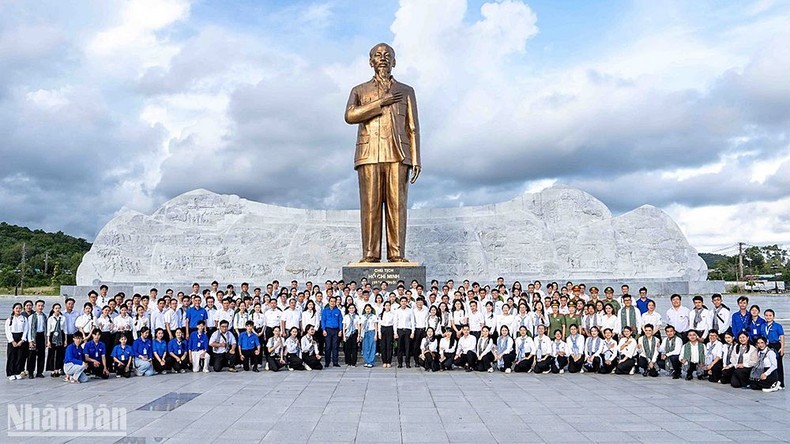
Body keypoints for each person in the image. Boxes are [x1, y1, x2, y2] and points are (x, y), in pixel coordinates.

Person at [6, 303, 29, 380]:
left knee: (20, 356)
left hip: (21, 339)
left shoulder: (24, 319)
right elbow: (7, 331)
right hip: (12, 339)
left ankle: (18, 372)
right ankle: (11, 373)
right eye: (16, 308)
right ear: (13, 309)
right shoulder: (9, 319)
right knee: (12, 356)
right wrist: (12, 341)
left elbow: (26, 330)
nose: (18, 310)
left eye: (19, 308)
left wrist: (22, 340)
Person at [762, 309, 784, 389]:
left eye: (770, 315)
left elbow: (781, 337)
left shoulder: (777, 326)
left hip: (776, 345)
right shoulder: (763, 325)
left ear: (773, 316)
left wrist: (782, 347)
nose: (768, 317)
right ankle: (772, 381)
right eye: (766, 315)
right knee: (770, 363)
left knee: (778, 364)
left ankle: (780, 382)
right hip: (767, 345)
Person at [26, 300, 48, 379]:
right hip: (34, 337)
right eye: (39, 306)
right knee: (32, 355)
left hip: (42, 336)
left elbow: (46, 329)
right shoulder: (31, 317)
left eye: (42, 306)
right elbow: (29, 329)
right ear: (35, 307)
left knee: (41, 355)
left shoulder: (45, 316)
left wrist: (46, 340)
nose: (40, 307)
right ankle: (31, 372)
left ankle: (39, 372)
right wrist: (30, 340)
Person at [321, 296, 343, 368]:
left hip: (336, 330)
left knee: (335, 346)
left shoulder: (338, 311)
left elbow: (340, 321)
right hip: (328, 330)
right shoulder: (325, 311)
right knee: (327, 347)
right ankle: (327, 362)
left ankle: (335, 362)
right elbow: (323, 320)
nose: (332, 303)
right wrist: (323, 329)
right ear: (329, 302)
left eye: (334, 301)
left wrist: (340, 330)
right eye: (331, 301)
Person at [394, 296, 415, 368]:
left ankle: (407, 363)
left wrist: (412, 332)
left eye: (405, 301)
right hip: (400, 330)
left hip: (408, 330)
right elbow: (395, 322)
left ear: (407, 302)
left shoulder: (410, 310)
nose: (403, 303)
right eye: (402, 301)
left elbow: (412, 322)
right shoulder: (397, 311)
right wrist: (395, 333)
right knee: (399, 348)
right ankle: (400, 363)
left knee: (407, 347)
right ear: (400, 302)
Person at [46, 302, 66, 377]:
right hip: (52, 336)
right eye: (56, 308)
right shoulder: (50, 319)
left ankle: (58, 369)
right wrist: (48, 341)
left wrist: (65, 340)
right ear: (53, 309)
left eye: (59, 308)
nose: (57, 309)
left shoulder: (63, 318)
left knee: (59, 353)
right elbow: (48, 330)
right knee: (52, 353)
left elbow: (65, 329)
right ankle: (52, 369)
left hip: (61, 336)